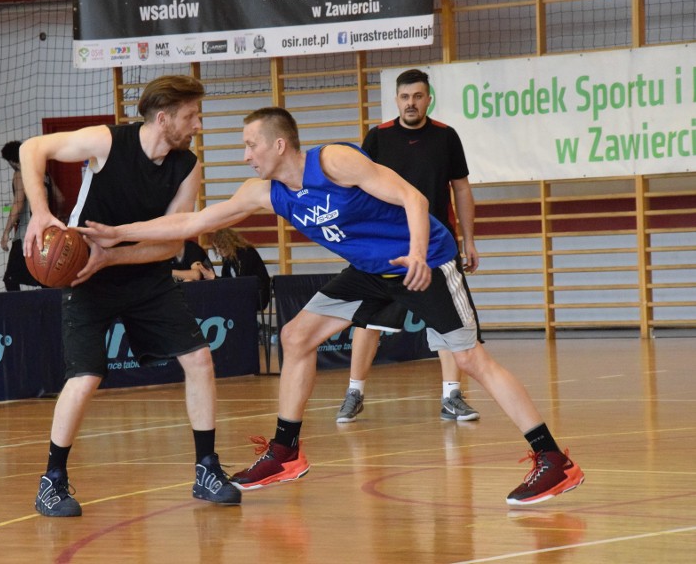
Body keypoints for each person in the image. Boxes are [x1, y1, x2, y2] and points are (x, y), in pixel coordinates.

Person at [77, 107, 585, 507]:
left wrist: (415, 251)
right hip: (370, 271)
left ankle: (553, 459)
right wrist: (119, 235)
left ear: (279, 144)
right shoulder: (267, 192)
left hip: (423, 257)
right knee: (295, 337)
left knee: (472, 360)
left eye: (251, 145)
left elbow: (413, 198)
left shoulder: (334, 162)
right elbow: (190, 223)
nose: (246, 156)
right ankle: (284, 452)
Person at [19, 75, 241, 517]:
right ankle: (52, 481)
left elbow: (172, 242)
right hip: (84, 276)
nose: (197, 124)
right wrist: (41, 212)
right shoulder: (107, 142)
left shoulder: (188, 165)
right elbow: (32, 148)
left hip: (144, 275)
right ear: (164, 118)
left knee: (199, 359)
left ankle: (206, 469)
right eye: (191, 116)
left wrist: (113, 257)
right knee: (85, 376)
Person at [337, 68, 482, 424]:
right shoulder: (378, 138)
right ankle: (354, 392)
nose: (411, 103)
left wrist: (469, 239)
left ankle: (452, 396)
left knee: (447, 323)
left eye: (417, 96)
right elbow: (358, 189)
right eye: (405, 97)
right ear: (397, 100)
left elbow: (461, 189)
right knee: (368, 322)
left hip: (436, 248)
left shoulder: (446, 137)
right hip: (388, 247)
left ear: (428, 98)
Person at [0, 140, 64, 291]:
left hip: (27, 233)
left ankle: (19, 313)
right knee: (44, 275)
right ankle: (51, 310)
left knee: (11, 278)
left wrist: (6, 232)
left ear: (13, 161)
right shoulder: (43, 173)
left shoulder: (20, 174)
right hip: (48, 232)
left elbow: (18, 203)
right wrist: (59, 217)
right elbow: (61, 199)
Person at [210, 228, 271, 310]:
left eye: (221, 248)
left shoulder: (246, 253)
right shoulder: (228, 258)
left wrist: (214, 278)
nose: (218, 252)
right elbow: (227, 280)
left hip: (257, 294)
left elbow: (241, 281)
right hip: (243, 292)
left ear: (229, 244)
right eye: (216, 248)